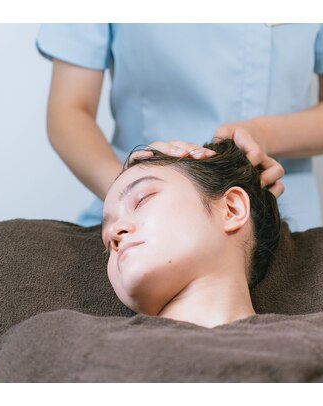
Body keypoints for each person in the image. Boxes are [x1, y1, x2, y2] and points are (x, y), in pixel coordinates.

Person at [36, 23, 323, 232]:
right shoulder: (127, 245)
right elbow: (69, 110)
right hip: (129, 203)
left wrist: (261, 133)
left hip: (280, 217)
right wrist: (130, 195)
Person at [101, 138, 280, 328]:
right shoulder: (79, 339)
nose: (113, 233)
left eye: (142, 200)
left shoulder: (305, 344)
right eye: (106, 244)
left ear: (231, 209)